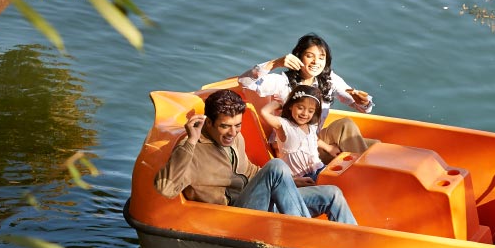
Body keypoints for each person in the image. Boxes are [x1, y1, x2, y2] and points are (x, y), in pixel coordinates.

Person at [153, 89, 357, 224]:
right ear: (208, 123)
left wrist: (289, 181)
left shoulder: (235, 138)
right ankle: (304, 233)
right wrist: (190, 141)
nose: (232, 133)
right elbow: (166, 188)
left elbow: (248, 171)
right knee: (276, 165)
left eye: (237, 125)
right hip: (233, 216)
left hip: (258, 203)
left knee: (332, 193)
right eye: (225, 126)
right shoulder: (192, 150)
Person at [238, 33, 376, 164]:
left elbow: (363, 107)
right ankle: (364, 178)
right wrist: (275, 63)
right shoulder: (282, 82)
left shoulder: (329, 80)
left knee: (375, 146)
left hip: (315, 140)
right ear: (299, 57)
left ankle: (362, 171)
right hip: (295, 149)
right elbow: (244, 81)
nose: (316, 62)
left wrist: (363, 101)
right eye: (310, 56)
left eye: (321, 57)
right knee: (345, 125)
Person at [258, 84, 333, 185]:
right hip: (300, 178)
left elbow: (313, 141)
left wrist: (329, 148)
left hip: (320, 169)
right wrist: (279, 104)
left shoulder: (311, 126)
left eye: (310, 111)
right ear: (291, 106)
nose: (305, 113)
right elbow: (264, 112)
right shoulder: (283, 125)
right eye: (300, 108)